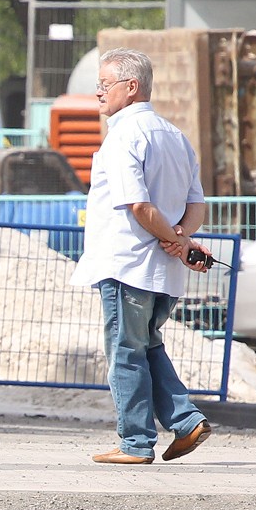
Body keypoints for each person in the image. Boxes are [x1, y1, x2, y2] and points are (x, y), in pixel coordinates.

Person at [70, 48, 214, 464]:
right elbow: (197, 205)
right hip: (163, 270)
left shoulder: (123, 136)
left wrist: (175, 238)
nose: (98, 92)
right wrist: (181, 238)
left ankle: (134, 443)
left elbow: (139, 207)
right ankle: (185, 421)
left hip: (127, 264)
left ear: (131, 88)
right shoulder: (175, 136)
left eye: (104, 84)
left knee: (126, 351)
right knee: (147, 345)